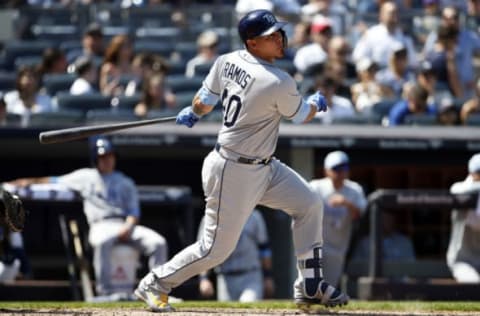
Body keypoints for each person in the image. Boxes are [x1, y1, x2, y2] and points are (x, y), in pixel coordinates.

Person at [134, 9, 349, 313]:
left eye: (278, 33)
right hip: (232, 170)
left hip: (263, 166)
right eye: (269, 36)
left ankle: (309, 284)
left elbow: (203, 103)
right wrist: (315, 102)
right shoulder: (278, 80)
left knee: (309, 203)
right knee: (215, 251)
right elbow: (302, 116)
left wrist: (193, 113)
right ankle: (154, 284)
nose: (279, 39)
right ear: (252, 43)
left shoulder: (227, 61)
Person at [8, 137, 168, 296]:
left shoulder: (125, 182)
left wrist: (128, 226)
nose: (107, 160)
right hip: (101, 225)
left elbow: (134, 212)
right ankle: (106, 292)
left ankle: (157, 292)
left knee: (159, 243)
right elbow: (54, 180)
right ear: (95, 159)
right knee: (102, 242)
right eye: (102, 157)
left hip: (124, 224)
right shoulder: (85, 176)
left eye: (109, 156)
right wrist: (27, 181)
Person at [309, 151, 368, 288]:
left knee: (329, 285)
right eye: (336, 169)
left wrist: (346, 203)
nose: (341, 172)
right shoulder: (316, 187)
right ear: (327, 171)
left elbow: (359, 216)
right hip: (315, 244)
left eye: (344, 168)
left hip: (337, 247)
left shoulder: (354, 189)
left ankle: (322, 308)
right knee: (311, 282)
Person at [197, 208, 274, 302]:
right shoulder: (210, 218)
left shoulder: (254, 216)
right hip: (225, 278)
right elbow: (204, 253)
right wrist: (204, 278)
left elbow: (264, 249)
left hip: (250, 276)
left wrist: (267, 276)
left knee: (248, 306)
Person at [448, 153, 480, 282]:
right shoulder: (460, 188)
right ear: (472, 173)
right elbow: (456, 191)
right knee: (475, 285)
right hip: (463, 261)